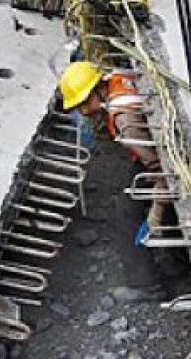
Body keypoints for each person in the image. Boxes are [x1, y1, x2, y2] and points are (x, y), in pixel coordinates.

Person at [59, 60, 168, 244]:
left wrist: (156, 213)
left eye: (84, 103)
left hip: (157, 158)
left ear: (96, 89)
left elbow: (164, 174)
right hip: (146, 144)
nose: (84, 112)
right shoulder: (116, 77)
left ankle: (166, 257)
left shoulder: (125, 122)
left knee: (137, 207)